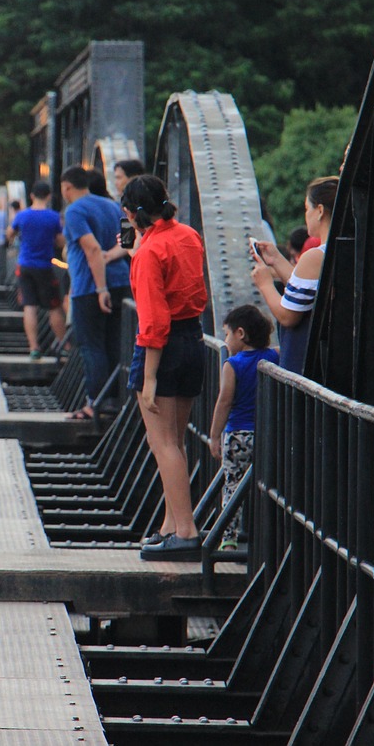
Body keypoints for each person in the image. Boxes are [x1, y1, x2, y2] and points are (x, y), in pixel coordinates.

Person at [121, 175, 209, 561]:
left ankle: (185, 532)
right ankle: (171, 525)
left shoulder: (149, 252)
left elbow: (154, 322)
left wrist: (149, 377)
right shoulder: (188, 235)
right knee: (175, 441)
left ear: (130, 214)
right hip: (193, 340)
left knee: (163, 443)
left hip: (163, 348)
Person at [250, 176, 339, 374]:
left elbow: (288, 316)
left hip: (305, 364)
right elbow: (306, 292)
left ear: (320, 211)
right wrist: (276, 259)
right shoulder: (340, 250)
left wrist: (265, 284)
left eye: (307, 208)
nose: (306, 214)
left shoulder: (315, 256)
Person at [207, 305, 278, 550]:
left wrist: (214, 435)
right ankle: (268, 541)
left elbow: (224, 401)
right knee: (267, 488)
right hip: (266, 435)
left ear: (240, 333)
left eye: (227, 334)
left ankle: (229, 539)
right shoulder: (272, 358)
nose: (225, 340)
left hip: (237, 435)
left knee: (232, 486)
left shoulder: (232, 364)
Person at [60, 166, 128, 420]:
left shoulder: (75, 210)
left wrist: (101, 288)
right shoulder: (113, 206)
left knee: (91, 345)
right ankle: (114, 401)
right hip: (122, 281)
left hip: (90, 287)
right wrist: (112, 256)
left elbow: (92, 250)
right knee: (114, 343)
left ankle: (94, 403)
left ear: (67, 187)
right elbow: (129, 241)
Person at [8, 181, 65, 360]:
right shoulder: (54, 217)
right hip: (45, 267)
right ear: (49, 196)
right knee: (54, 307)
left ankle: (34, 347)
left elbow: (9, 234)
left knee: (29, 306)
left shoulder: (22, 215)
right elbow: (61, 242)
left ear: (32, 196)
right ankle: (64, 345)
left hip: (24, 265)